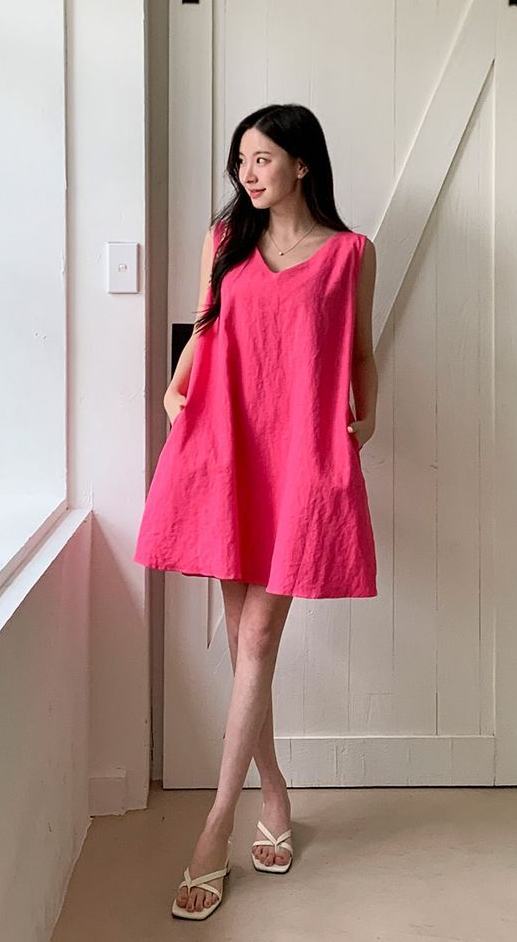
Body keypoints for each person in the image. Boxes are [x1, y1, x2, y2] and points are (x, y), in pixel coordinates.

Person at [133, 103, 379, 921]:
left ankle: (215, 827)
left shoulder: (350, 253)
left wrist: (368, 414)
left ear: (303, 163)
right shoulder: (225, 240)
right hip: (226, 445)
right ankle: (273, 790)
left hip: (301, 455)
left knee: (259, 637)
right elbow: (207, 326)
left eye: (263, 157)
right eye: (241, 159)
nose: (248, 172)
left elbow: (360, 349)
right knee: (247, 643)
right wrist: (173, 387)